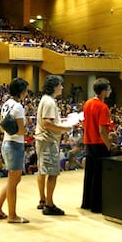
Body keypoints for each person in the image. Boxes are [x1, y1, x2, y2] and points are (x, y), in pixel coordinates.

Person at [0, 78, 29, 223]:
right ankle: (12, 215)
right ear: (21, 91)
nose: (27, 93)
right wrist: (26, 128)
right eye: (25, 90)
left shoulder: (6, 104)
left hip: (7, 143)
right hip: (15, 145)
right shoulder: (18, 107)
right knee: (14, 182)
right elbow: (20, 131)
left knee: (13, 180)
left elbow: (2, 126)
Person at [35, 75, 73, 216]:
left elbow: (50, 120)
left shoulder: (45, 100)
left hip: (42, 140)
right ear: (54, 87)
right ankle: (49, 205)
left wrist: (61, 120)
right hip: (48, 141)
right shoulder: (50, 102)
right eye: (60, 85)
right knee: (52, 172)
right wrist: (65, 128)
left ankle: (42, 199)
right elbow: (47, 123)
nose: (62, 88)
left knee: (42, 170)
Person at [81, 77, 112, 213]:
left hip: (89, 142)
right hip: (99, 144)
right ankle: (96, 206)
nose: (110, 92)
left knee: (89, 174)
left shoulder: (87, 103)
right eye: (109, 89)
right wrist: (109, 145)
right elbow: (102, 131)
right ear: (104, 91)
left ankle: (86, 203)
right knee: (99, 176)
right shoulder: (103, 107)